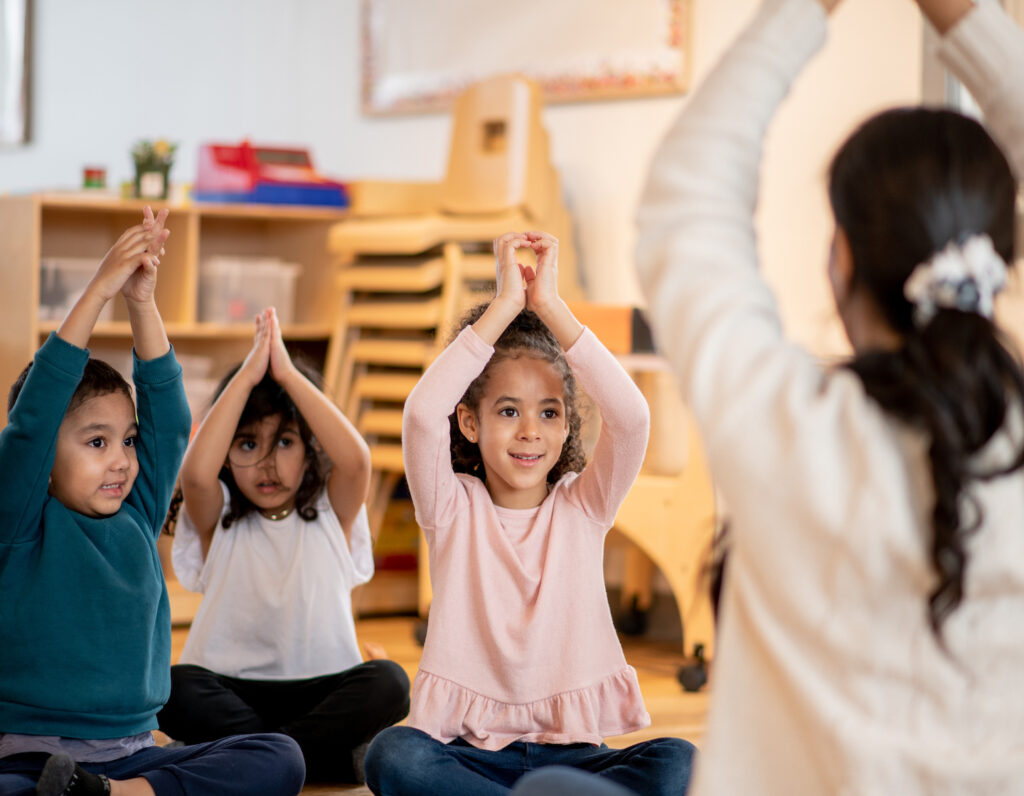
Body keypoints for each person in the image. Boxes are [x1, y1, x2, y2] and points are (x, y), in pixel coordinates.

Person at [633, 0, 1024, 792]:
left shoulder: (784, 419)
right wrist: (967, 18)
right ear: (997, 261)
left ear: (838, 261)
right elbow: (691, 202)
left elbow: (687, 196)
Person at [363, 231, 695, 796]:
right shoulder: (450, 507)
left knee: (680, 760)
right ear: (470, 422)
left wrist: (551, 308)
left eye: (548, 413)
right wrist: (503, 309)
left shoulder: (584, 506)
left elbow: (632, 419)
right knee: (393, 755)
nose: (528, 432)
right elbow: (421, 417)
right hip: (470, 756)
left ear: (567, 426)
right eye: (508, 410)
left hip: (576, 759)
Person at [0, 208, 306, 796]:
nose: (121, 459)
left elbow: (168, 420)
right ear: (43, 462)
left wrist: (140, 301)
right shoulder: (20, 522)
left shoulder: (136, 515)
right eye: (96, 442)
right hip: (31, 763)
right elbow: (32, 422)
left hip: (135, 756)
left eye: (127, 441)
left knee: (280, 757)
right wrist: (99, 291)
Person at [157, 306, 410, 784]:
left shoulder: (333, 512)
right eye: (248, 444)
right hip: (230, 690)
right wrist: (250, 373)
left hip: (319, 689)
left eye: (285, 442)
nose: (268, 464)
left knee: (390, 683)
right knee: (170, 687)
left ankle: (251, 760)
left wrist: (287, 374)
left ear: (311, 446)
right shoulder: (219, 515)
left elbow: (356, 460)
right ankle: (310, 761)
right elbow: (194, 472)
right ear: (227, 454)